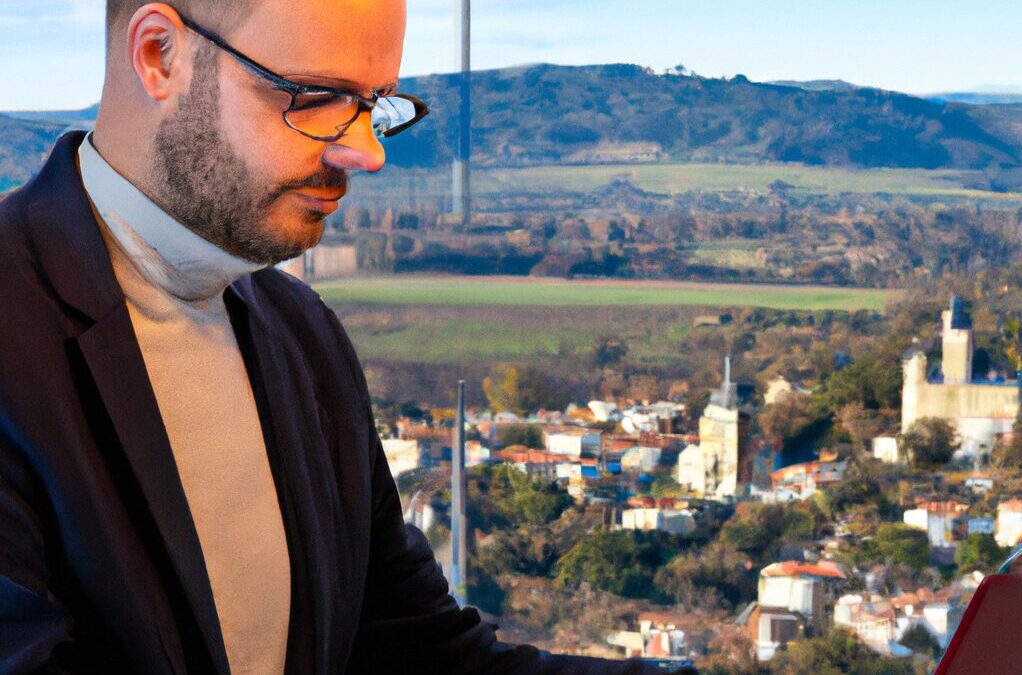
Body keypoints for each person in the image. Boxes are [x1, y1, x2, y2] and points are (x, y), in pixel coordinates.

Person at [0, 1, 696, 673]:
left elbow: (409, 651)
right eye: (317, 97)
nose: (366, 153)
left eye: (374, 107)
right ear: (159, 55)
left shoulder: (304, 335)